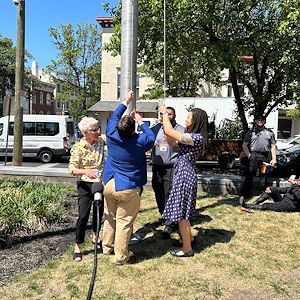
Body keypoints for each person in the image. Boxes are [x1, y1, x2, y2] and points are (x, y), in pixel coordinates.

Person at [102, 90, 155, 265]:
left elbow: (114, 116)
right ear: (134, 130)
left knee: (110, 216)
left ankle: (107, 246)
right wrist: (141, 121)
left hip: (109, 183)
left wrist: (126, 101)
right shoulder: (139, 141)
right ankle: (121, 257)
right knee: (124, 222)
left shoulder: (111, 134)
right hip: (128, 187)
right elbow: (151, 137)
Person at [159, 104, 208, 257]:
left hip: (185, 176)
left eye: (188, 117)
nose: (186, 119)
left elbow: (169, 131)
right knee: (182, 211)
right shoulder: (190, 137)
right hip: (184, 174)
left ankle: (187, 248)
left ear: (196, 121)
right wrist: (165, 124)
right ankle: (189, 239)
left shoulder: (195, 138)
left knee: (182, 214)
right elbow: (172, 141)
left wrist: (164, 114)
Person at [68, 117, 105, 262]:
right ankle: (78, 246)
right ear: (85, 132)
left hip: (98, 183)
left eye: (98, 128)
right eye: (94, 130)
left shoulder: (101, 141)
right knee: (83, 216)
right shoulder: (78, 148)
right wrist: (84, 172)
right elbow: (71, 169)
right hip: (84, 185)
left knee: (98, 212)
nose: (98, 132)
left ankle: (96, 235)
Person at [151, 107, 184, 238]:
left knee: (169, 193)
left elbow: (183, 144)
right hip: (157, 166)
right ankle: (164, 215)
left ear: (174, 116)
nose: (165, 116)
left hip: (171, 166)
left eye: (169, 114)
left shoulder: (180, 130)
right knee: (158, 190)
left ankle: (170, 224)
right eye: (164, 114)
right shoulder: (155, 128)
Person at [240, 115, 276, 202]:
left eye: (262, 120)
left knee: (264, 175)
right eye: (258, 120)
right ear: (256, 121)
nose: (260, 121)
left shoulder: (270, 132)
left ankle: (264, 194)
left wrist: (274, 159)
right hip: (253, 156)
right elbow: (244, 145)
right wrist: (249, 155)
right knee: (250, 175)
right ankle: (245, 194)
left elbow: (273, 146)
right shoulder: (251, 132)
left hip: (264, 157)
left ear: (265, 121)